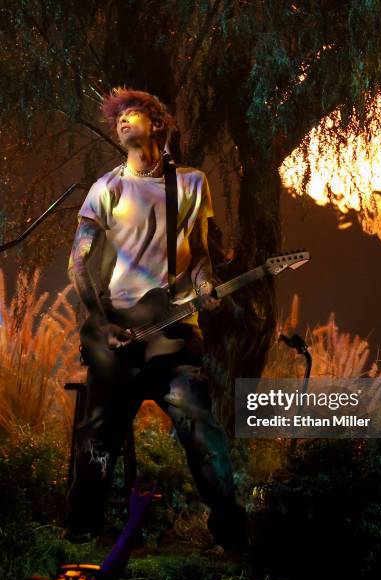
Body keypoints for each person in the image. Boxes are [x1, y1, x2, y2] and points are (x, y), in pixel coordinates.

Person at [64, 87, 247, 553]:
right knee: (96, 441)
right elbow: (78, 263)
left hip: (175, 334)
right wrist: (100, 322)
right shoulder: (106, 188)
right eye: (118, 118)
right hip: (119, 333)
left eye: (134, 114)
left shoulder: (190, 183)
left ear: (158, 124)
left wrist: (206, 289)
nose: (123, 122)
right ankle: (79, 540)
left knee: (203, 431)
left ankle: (232, 536)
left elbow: (202, 256)